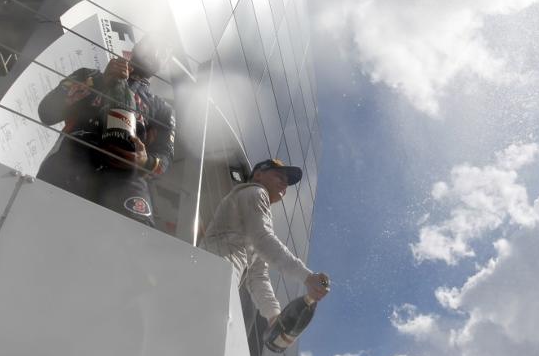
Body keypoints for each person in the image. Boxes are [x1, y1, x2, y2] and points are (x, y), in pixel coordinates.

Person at [36, 36, 176, 226]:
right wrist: (99, 82)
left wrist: (145, 161)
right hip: (72, 158)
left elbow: (165, 156)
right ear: (135, 48)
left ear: (165, 63)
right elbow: (46, 112)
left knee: (138, 239)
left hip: (126, 176)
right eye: (152, 43)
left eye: (164, 51)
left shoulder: (162, 109)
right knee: (42, 223)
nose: (156, 51)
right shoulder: (89, 75)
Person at [200, 159, 330, 327]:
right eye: (279, 176)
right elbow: (263, 240)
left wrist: (274, 315)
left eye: (287, 182)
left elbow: (258, 275)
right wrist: (307, 277)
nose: (285, 184)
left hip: (217, 276)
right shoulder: (256, 192)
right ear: (259, 175)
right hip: (214, 272)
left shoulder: (254, 213)